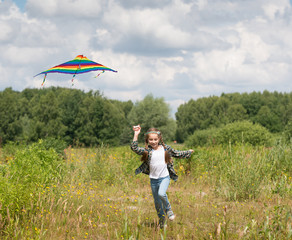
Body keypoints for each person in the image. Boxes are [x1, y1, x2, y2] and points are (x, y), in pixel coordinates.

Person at [130, 125, 194, 229]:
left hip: (165, 177)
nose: (153, 141)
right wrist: (136, 134)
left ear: (159, 139)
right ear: (147, 140)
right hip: (153, 180)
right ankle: (162, 221)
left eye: (155, 139)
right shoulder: (147, 151)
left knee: (161, 194)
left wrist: (188, 152)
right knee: (157, 203)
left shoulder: (165, 149)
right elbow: (134, 148)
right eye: (151, 139)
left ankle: (168, 209)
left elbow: (177, 153)